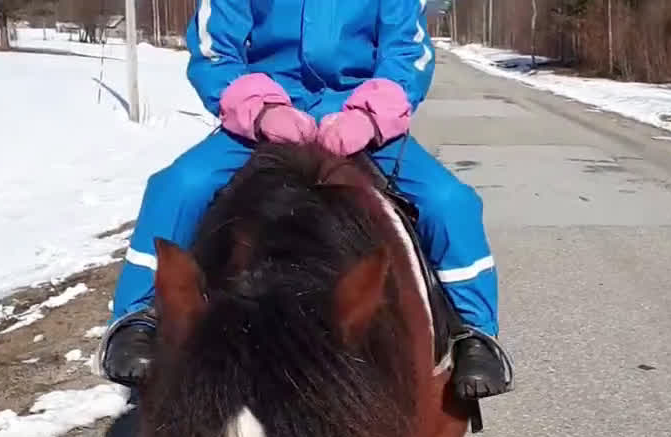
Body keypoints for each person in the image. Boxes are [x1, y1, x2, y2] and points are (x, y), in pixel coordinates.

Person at [99, 0, 513, 401]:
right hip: (264, 117)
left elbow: (407, 53)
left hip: (357, 115)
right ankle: (139, 317)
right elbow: (213, 51)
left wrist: (369, 117)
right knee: (178, 186)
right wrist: (261, 112)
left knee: (449, 201)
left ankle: (473, 333)